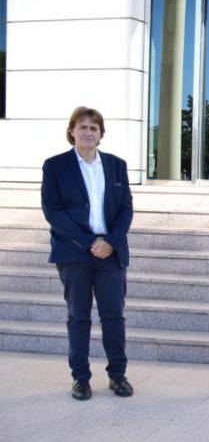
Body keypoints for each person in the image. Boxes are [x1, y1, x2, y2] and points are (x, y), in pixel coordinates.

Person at [41, 106, 134, 400]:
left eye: (94, 128)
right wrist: (87, 242)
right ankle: (81, 378)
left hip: (111, 254)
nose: (88, 132)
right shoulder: (55, 166)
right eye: (82, 127)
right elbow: (53, 211)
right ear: (72, 131)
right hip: (74, 254)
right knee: (78, 316)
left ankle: (117, 375)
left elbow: (125, 208)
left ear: (101, 134)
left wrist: (110, 241)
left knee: (113, 316)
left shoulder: (116, 165)